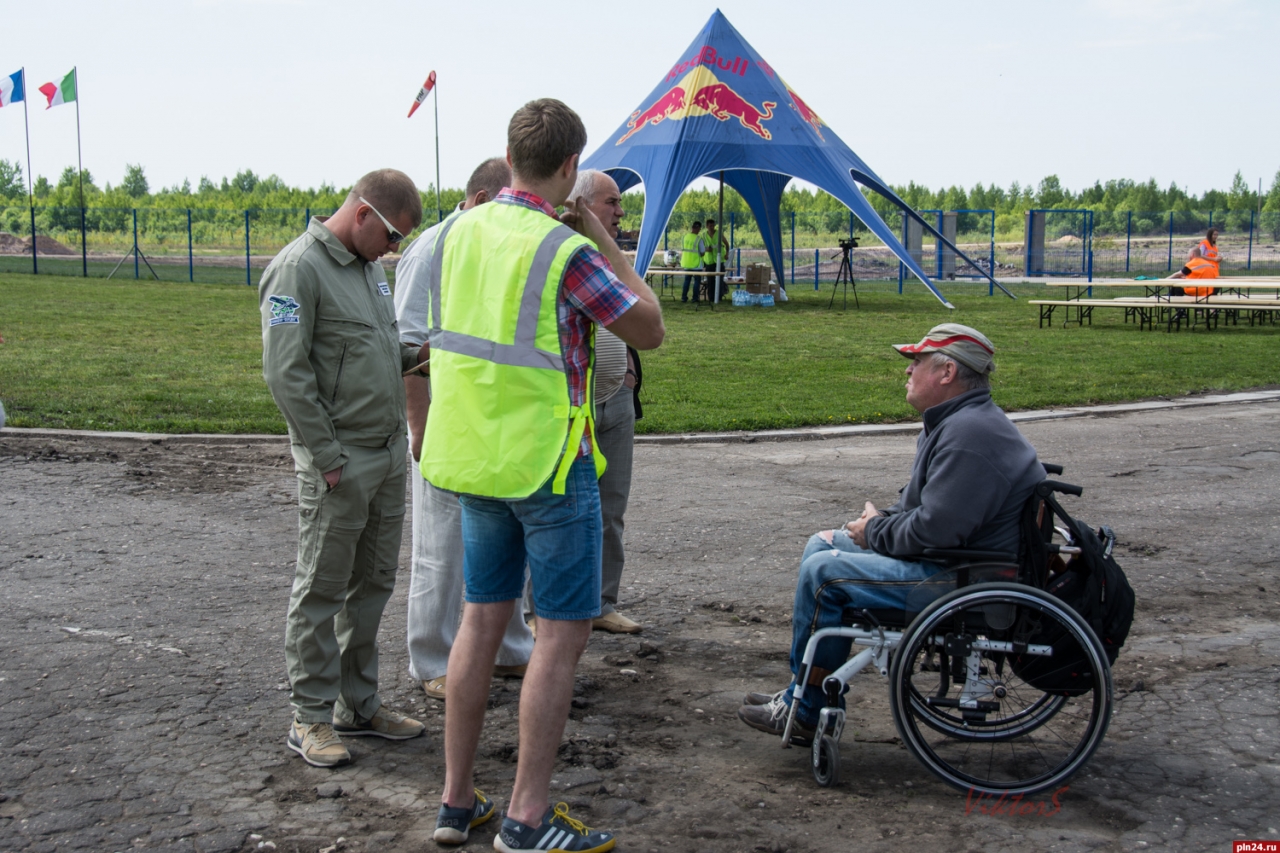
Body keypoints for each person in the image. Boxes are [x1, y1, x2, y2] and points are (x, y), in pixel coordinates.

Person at [423, 99, 664, 850]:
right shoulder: (566, 252)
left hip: (476, 459)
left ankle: (456, 801)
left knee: (479, 622)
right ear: (570, 168)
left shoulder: (454, 232)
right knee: (559, 639)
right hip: (551, 468)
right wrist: (596, 229)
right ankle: (527, 816)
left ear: (508, 152)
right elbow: (650, 325)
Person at [737, 324, 1044, 743]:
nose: (908, 371)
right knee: (821, 543)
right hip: (958, 563)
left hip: (964, 580)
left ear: (947, 372)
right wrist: (878, 520)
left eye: (916, 362)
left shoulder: (970, 435)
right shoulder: (958, 422)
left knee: (824, 575)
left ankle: (806, 711)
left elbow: (937, 528)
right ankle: (803, 694)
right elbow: (924, 509)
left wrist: (874, 531)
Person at [259, 170, 427, 769]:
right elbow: (286, 373)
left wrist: (424, 356)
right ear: (362, 215)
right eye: (390, 236)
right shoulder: (298, 270)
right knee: (322, 589)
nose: (393, 250)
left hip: (383, 457)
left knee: (373, 585)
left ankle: (357, 705)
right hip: (340, 461)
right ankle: (309, 716)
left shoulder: (367, 270)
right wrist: (326, 458)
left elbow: (380, 351)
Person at [394, 157, 534, 703]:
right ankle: (432, 656)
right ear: (478, 201)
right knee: (440, 545)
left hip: (493, 420)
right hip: (447, 419)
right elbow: (408, 344)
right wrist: (420, 424)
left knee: (505, 536)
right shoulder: (432, 248)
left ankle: (508, 648)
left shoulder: (496, 241)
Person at [569, 169, 645, 635]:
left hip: (616, 399)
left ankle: (601, 603)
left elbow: (635, 316)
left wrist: (631, 369)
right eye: (611, 202)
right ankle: (543, 612)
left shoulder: (610, 258)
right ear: (581, 205)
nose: (620, 212)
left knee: (610, 508)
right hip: (572, 404)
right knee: (561, 511)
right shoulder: (564, 253)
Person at [1167, 228, 1221, 296]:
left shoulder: (1191, 264)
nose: (1216, 236)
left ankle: (1178, 305)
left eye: (1217, 235)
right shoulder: (1209, 263)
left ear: (1192, 255)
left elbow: (1177, 274)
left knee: (1176, 288)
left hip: (1195, 290)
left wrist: (1165, 281)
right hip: (1208, 291)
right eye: (1214, 234)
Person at [702, 218, 730, 301]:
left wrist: (727, 253)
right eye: (710, 226)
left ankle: (719, 297)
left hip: (719, 260)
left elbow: (726, 244)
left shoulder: (719, 234)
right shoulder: (703, 235)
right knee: (710, 280)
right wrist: (707, 249)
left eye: (713, 225)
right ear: (707, 226)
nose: (712, 227)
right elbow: (701, 247)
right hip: (709, 260)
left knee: (720, 279)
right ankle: (711, 297)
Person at [680, 220, 705, 303]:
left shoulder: (684, 237)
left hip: (686, 263)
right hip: (696, 264)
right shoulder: (698, 239)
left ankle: (684, 298)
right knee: (697, 281)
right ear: (698, 228)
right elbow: (702, 252)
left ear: (692, 227)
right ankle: (695, 298)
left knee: (687, 281)